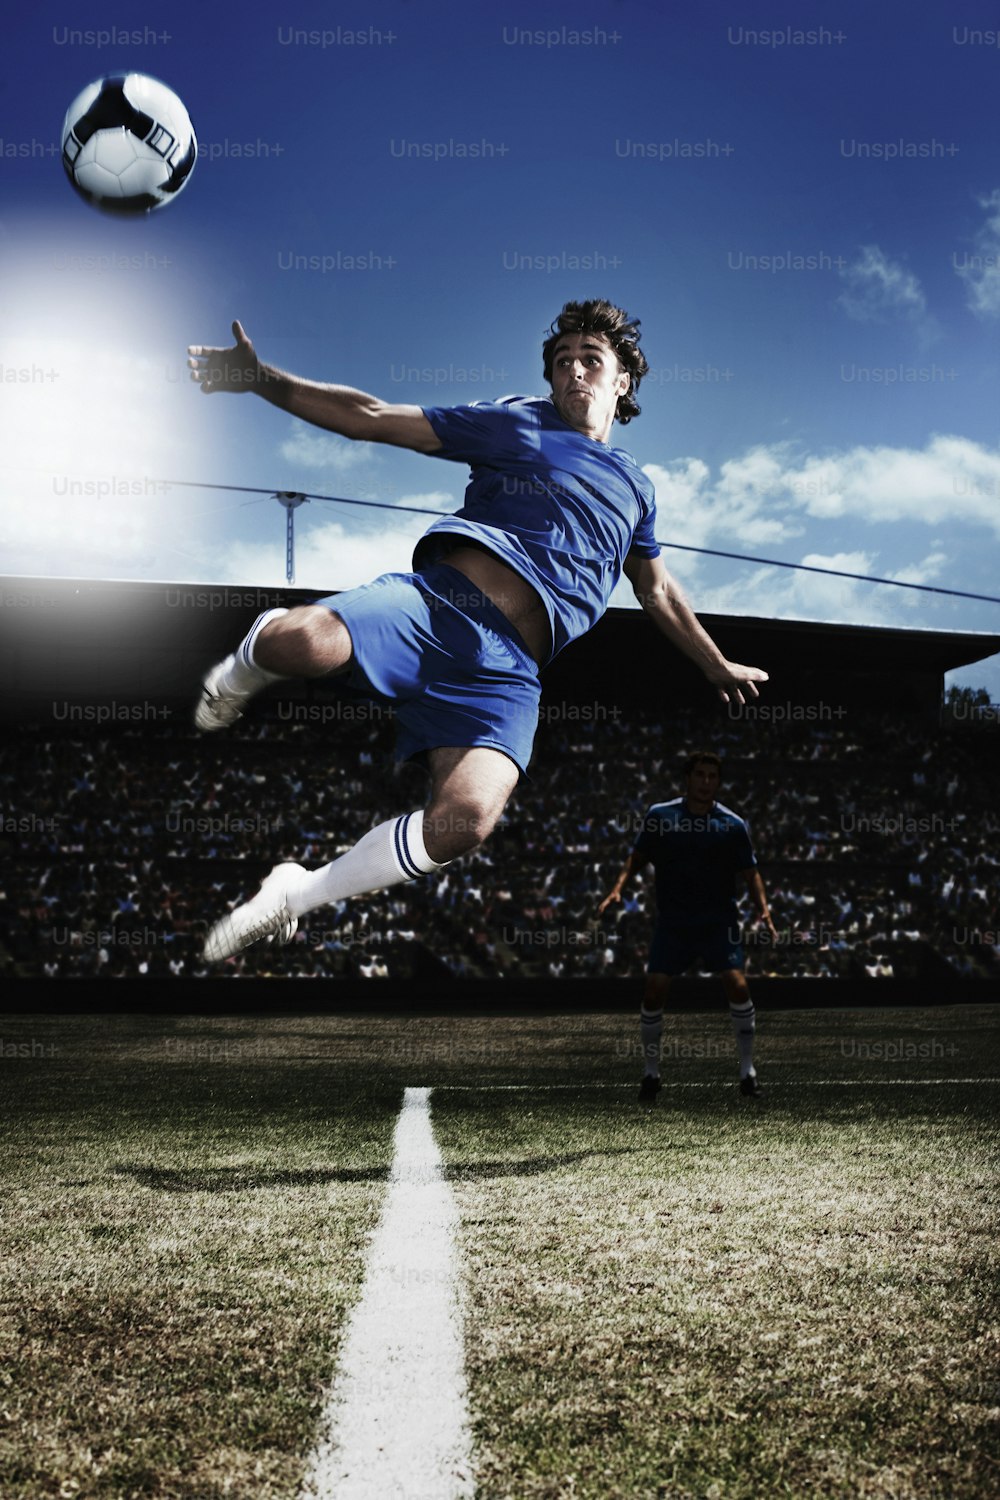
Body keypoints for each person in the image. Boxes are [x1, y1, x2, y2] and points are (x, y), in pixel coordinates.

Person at [186, 300, 769, 963]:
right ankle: (239, 670)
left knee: (467, 821)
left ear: (622, 380)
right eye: (562, 362)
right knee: (300, 643)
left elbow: (655, 587)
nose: (574, 371)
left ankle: (296, 894)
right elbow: (373, 419)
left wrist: (715, 663)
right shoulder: (518, 422)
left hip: (508, 672)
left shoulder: (638, 488)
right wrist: (263, 380)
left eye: (590, 361)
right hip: (439, 610)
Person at [599, 750, 777, 1098]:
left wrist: (764, 910)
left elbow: (751, 873)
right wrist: (617, 889)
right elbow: (636, 858)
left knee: (738, 986)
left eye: (713, 776)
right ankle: (651, 1074)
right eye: (700, 775)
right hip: (674, 922)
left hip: (718, 921)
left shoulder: (732, 824)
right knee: (654, 991)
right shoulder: (660, 816)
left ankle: (747, 1071)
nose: (706, 782)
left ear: (718, 782)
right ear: (688, 778)